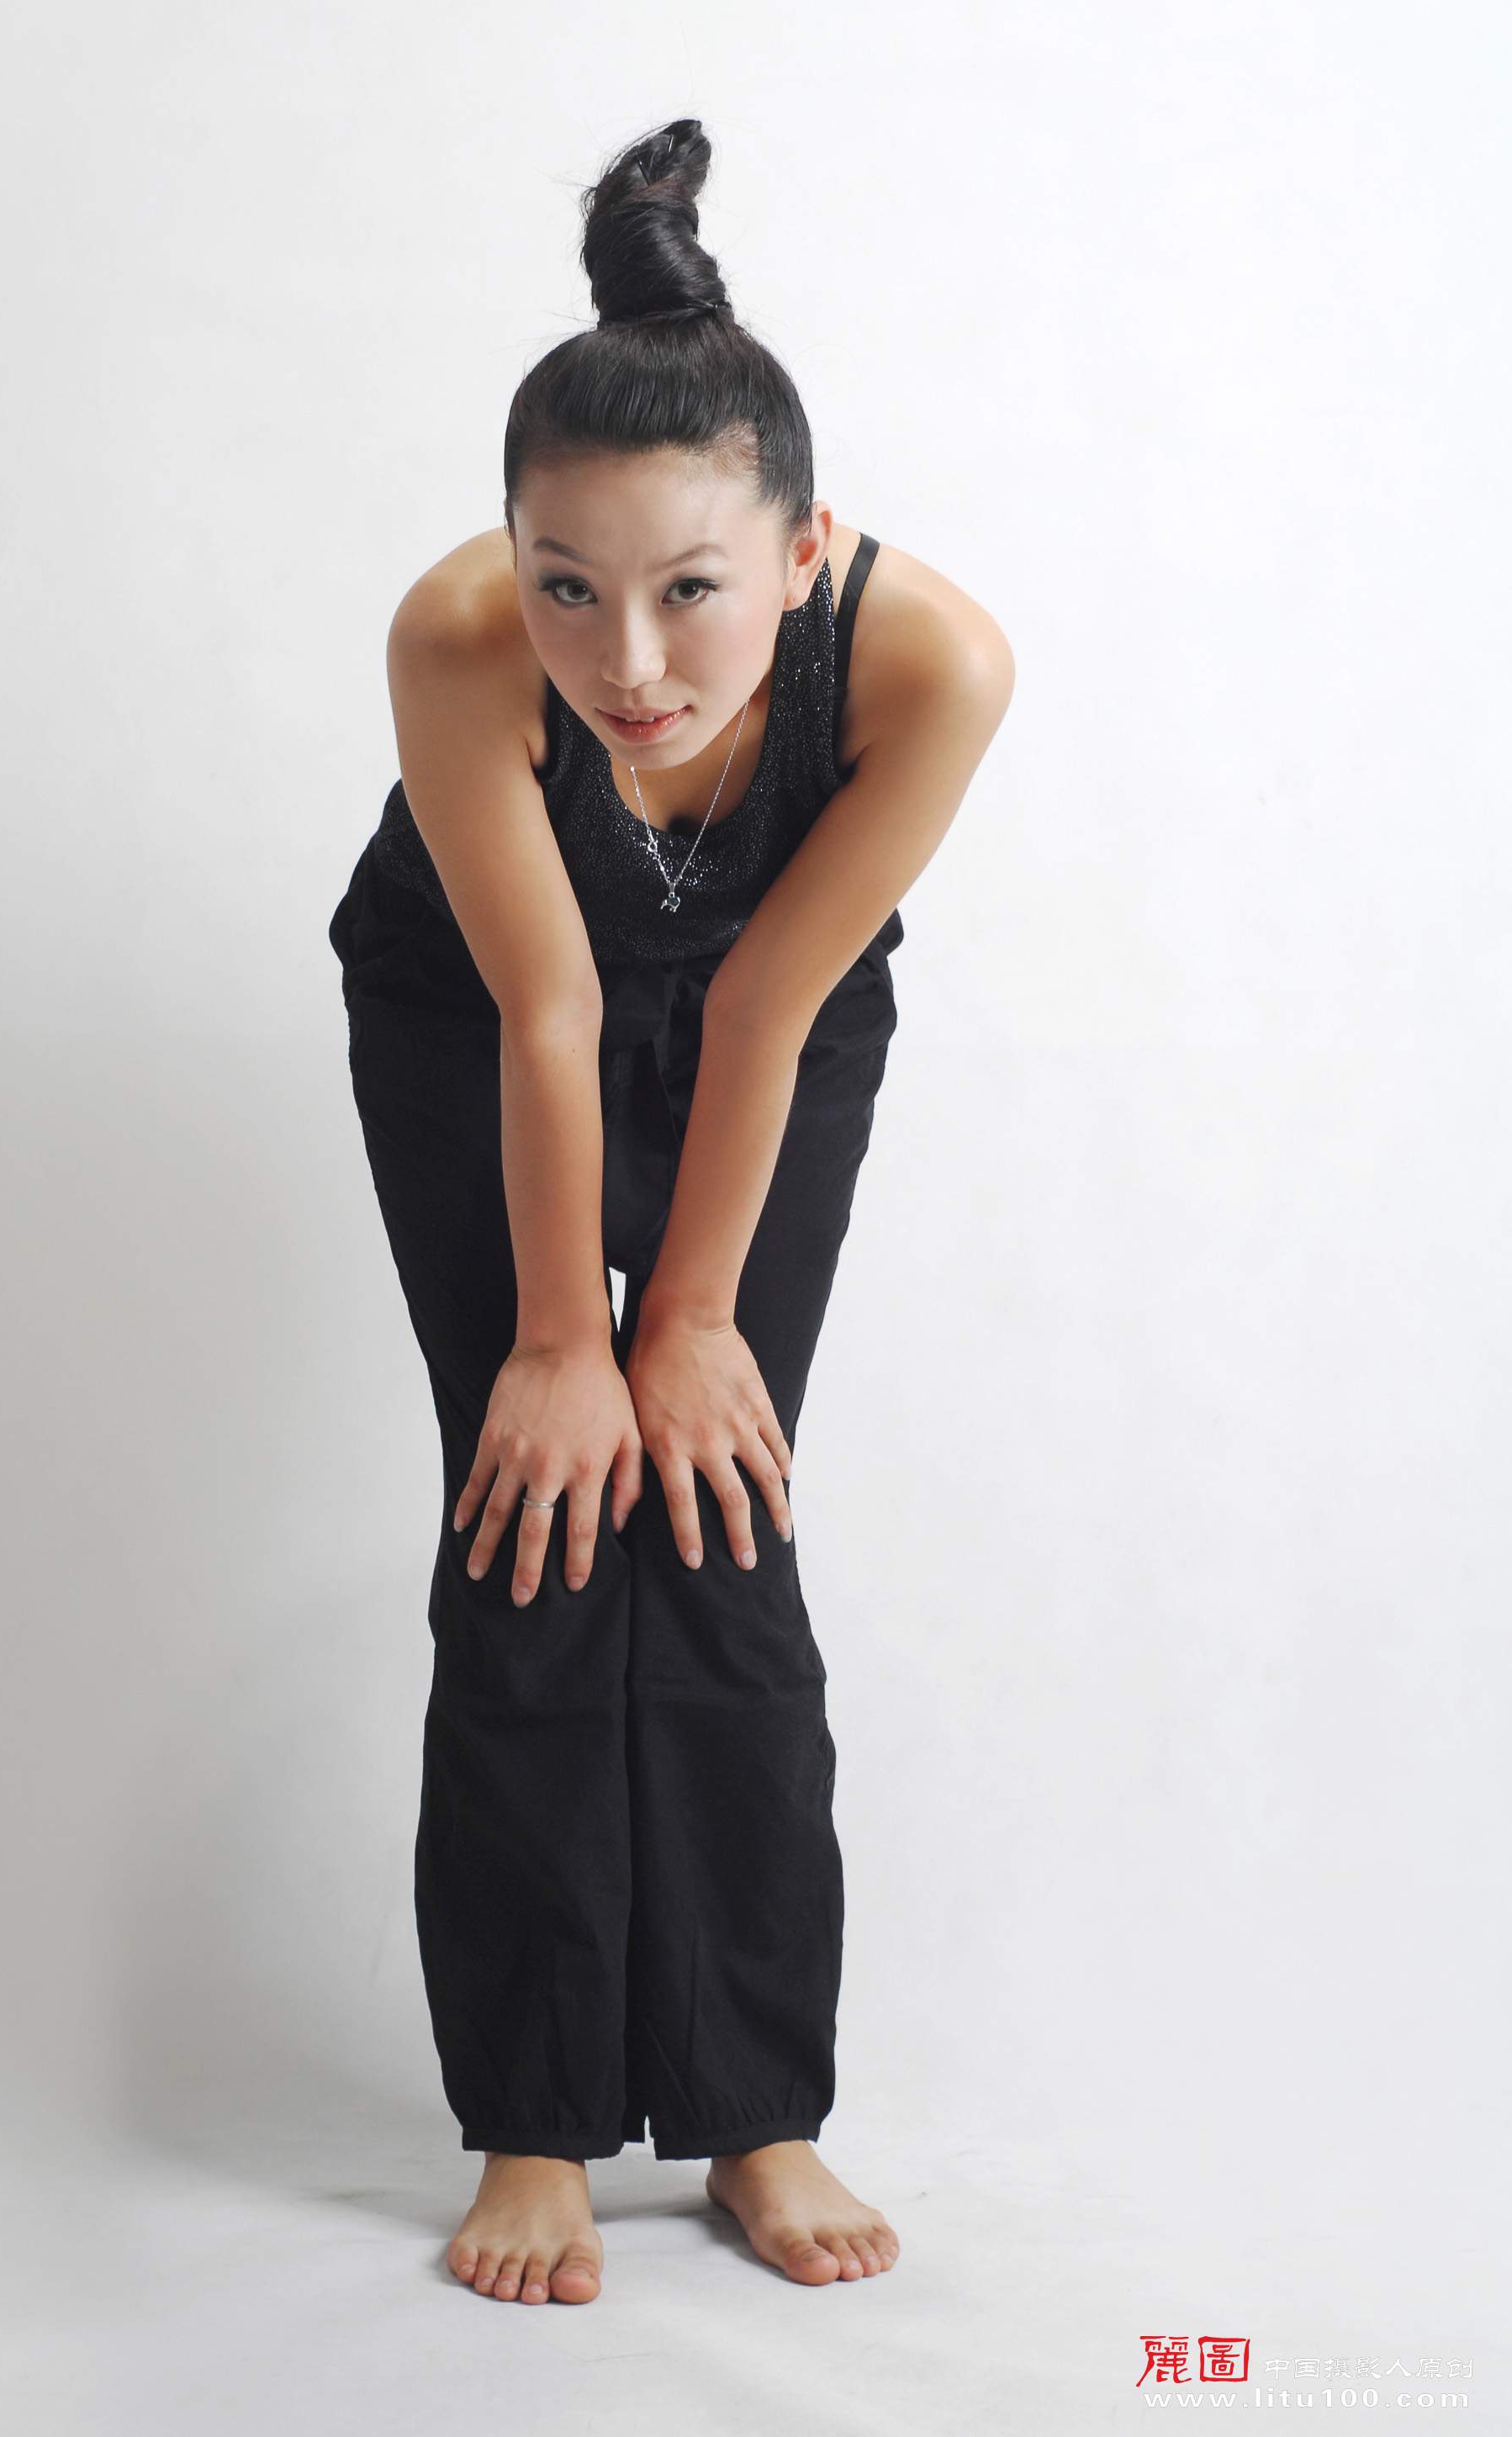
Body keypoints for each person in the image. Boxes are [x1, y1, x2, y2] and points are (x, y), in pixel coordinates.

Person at [328, 118, 1013, 2304]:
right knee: (532, 1512)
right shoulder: (457, 641)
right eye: (566, 583)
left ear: (800, 553)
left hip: (775, 1012)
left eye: (691, 589)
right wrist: (563, 1341)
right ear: (509, 554)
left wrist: (682, 1319)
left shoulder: (930, 665)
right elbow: (543, 1007)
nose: (623, 657)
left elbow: (767, 1002)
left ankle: (753, 2106)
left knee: (718, 1499)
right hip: (472, 1006)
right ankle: (532, 2121)